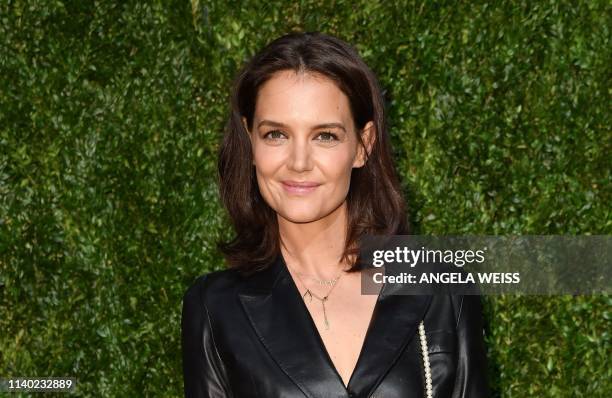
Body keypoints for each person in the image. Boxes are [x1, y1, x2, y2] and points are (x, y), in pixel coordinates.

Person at [181, 31, 489, 397]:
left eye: (324, 136)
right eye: (276, 134)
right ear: (250, 142)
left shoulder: (441, 288)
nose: (298, 162)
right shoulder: (216, 306)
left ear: (363, 145)